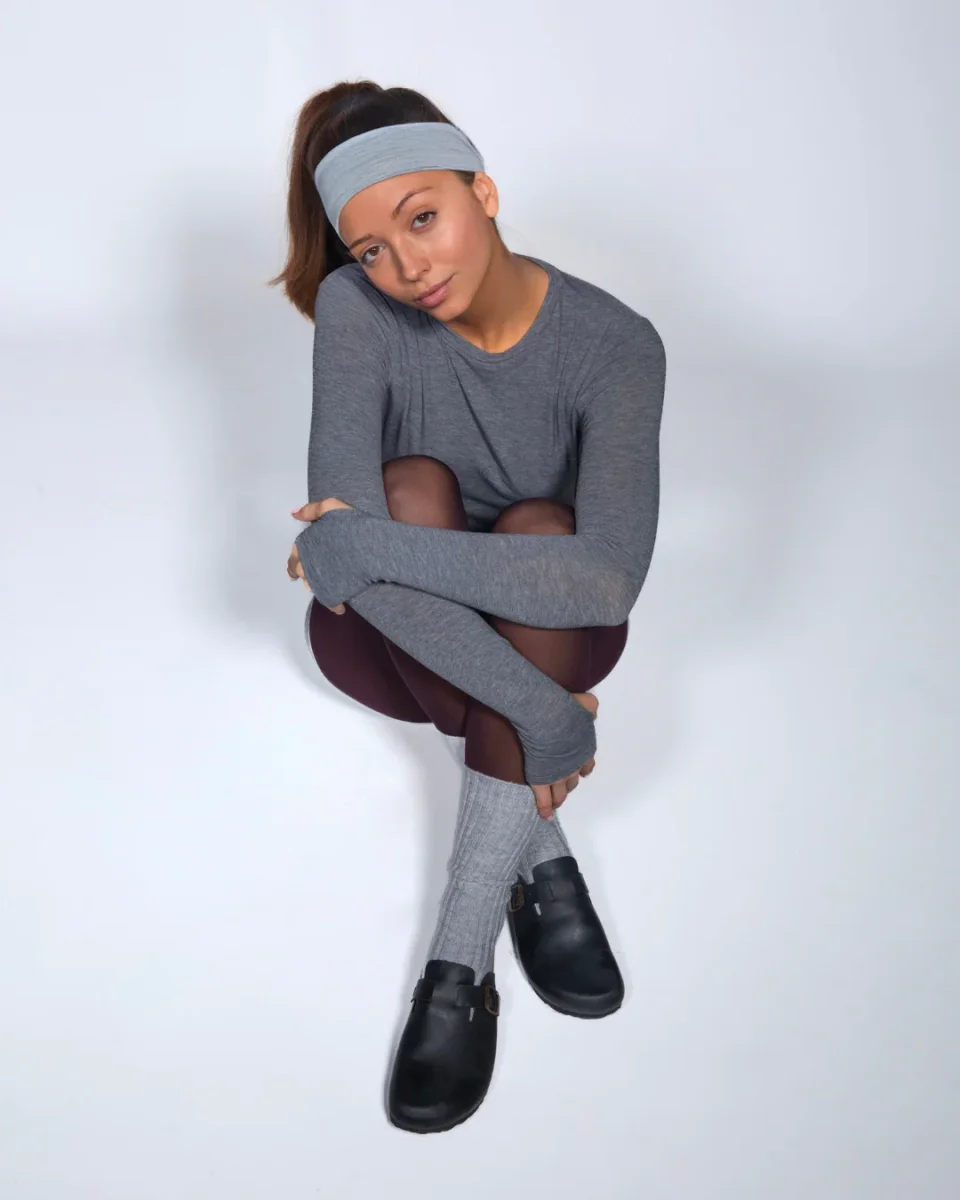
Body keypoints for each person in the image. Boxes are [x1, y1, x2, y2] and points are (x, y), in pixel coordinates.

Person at [270, 80, 666, 1134]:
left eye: (423, 218)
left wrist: (361, 548)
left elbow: (604, 580)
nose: (408, 268)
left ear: (482, 192)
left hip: (560, 629)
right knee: (409, 487)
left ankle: (459, 961)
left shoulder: (617, 344)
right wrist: (543, 716)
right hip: (390, 644)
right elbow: (349, 568)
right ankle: (542, 860)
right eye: (372, 249)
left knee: (540, 527)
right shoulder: (358, 312)